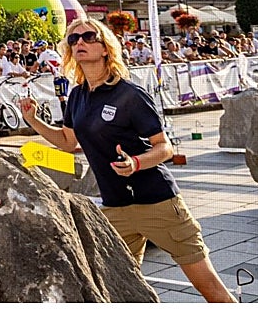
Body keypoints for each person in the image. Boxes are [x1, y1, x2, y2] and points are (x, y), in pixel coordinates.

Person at [19, 18, 234, 303]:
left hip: (157, 203)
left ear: (105, 47)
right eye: (73, 40)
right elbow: (69, 143)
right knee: (118, 290)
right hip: (115, 207)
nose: (80, 42)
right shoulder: (77, 96)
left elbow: (164, 148)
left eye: (87, 36)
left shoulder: (129, 94)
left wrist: (135, 163)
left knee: (208, 286)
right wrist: (33, 120)